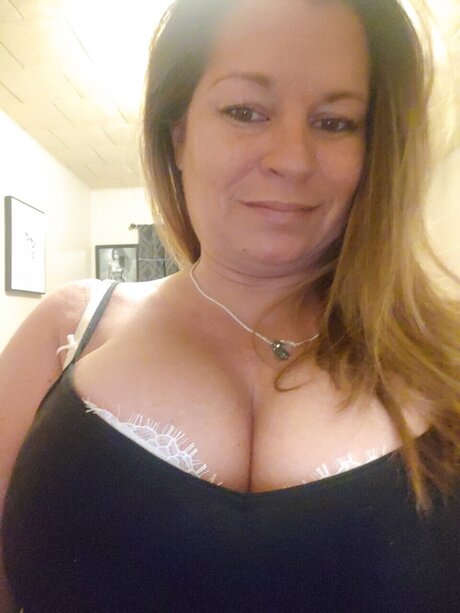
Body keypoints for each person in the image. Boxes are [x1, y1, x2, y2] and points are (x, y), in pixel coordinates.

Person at [1, 0, 459, 610]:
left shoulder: (445, 363)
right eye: (245, 111)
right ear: (178, 135)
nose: (292, 159)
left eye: (335, 122)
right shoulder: (68, 329)